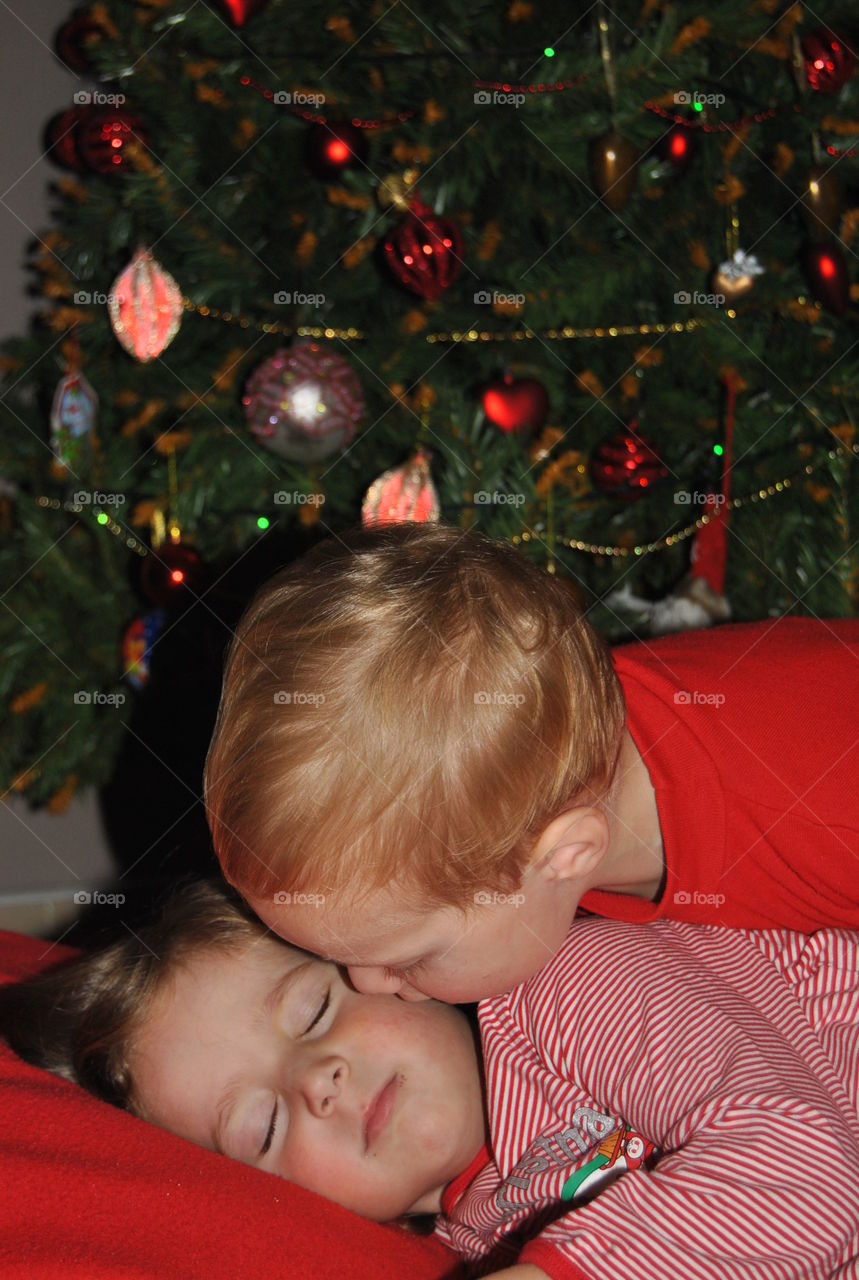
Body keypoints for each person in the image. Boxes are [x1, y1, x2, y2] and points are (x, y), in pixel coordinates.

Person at [2, 881, 858, 1278]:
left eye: (310, 1014)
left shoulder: (571, 980)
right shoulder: (469, 1241)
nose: (320, 1085)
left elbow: (808, 1176)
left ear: (386, 969)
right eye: (260, 1129)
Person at [203, 522, 859, 1003]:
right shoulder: (544, 747)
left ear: (566, 853)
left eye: (406, 961)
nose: (367, 986)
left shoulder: (817, 815)